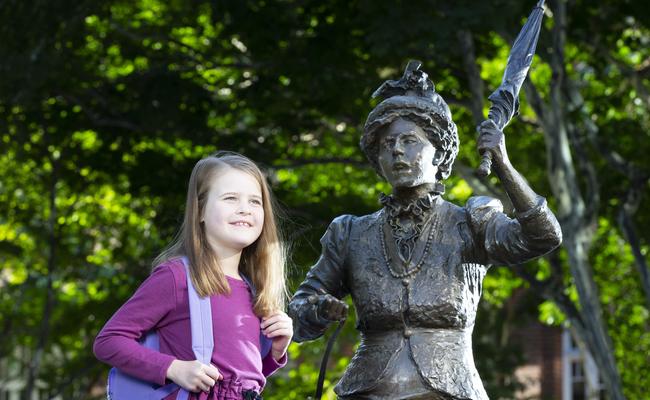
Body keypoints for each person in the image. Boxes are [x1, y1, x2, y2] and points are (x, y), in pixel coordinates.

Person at [288, 61, 562, 400]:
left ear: (440, 152)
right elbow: (298, 314)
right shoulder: (350, 233)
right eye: (387, 144)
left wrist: (503, 166)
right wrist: (318, 308)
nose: (397, 150)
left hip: (450, 391)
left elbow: (543, 236)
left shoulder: (472, 221)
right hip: (368, 390)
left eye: (409, 141)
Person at [94, 151, 293, 400]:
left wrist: (276, 351)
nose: (245, 209)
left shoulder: (254, 291)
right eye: (230, 198)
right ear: (200, 211)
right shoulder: (176, 277)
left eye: (255, 201)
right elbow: (109, 340)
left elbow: (241, 385)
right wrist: (173, 368)